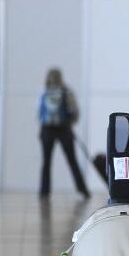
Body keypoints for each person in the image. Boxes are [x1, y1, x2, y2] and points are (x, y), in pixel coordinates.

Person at [37, 68, 89, 199]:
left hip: (47, 129)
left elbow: (38, 113)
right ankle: (82, 190)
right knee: (72, 160)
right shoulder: (67, 92)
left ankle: (44, 191)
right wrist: (70, 123)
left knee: (46, 161)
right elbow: (75, 111)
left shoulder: (44, 91)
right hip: (64, 129)